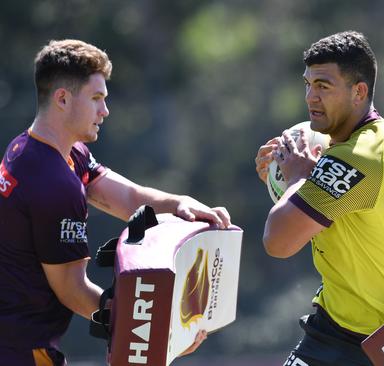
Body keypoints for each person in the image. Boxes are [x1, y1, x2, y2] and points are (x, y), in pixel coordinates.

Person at [0, 39, 232, 365]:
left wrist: (180, 204)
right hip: (18, 350)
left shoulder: (49, 149)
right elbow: (73, 290)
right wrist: (157, 328)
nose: (105, 110)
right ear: (62, 99)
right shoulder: (53, 182)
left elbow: (127, 198)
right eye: (96, 99)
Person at [254, 31, 384, 366]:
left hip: (364, 343)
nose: (310, 97)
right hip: (345, 329)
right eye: (307, 84)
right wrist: (287, 181)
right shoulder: (379, 136)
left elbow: (277, 241)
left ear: (358, 92)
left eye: (323, 86)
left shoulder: (358, 157)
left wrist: (297, 178)